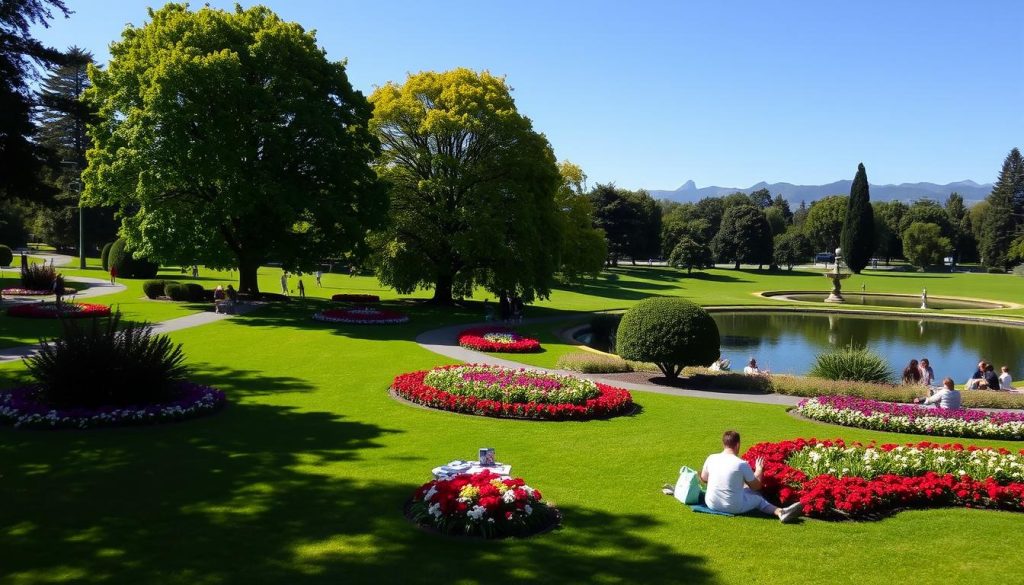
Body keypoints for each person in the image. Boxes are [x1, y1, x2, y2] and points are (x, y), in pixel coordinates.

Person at [700, 430, 802, 523]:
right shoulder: (741, 464)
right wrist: (759, 470)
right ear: (738, 445)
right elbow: (756, 487)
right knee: (758, 499)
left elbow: (704, 478)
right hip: (732, 507)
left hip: (711, 503)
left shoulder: (711, 458)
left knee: (745, 488)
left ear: (724, 444)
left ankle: (781, 512)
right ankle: (781, 512)